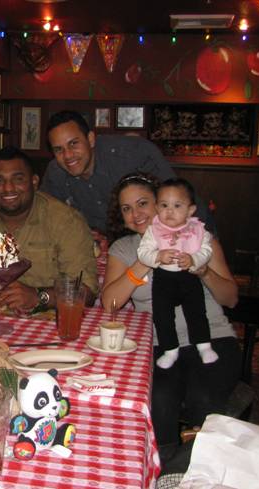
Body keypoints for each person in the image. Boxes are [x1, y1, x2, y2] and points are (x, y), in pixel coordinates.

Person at [101, 172, 240, 460]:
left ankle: (205, 466)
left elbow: (231, 298)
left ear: (163, 203)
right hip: (159, 344)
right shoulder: (123, 249)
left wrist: (203, 271)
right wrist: (146, 260)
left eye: (143, 203)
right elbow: (110, 303)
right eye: (127, 208)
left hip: (212, 337)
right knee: (159, 401)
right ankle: (164, 468)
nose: (136, 214)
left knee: (203, 398)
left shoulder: (199, 237)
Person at [0, 146, 99, 315]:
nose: (8, 188)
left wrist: (39, 297)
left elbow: (86, 291)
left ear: (34, 182)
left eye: (18, 179)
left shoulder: (65, 220)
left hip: (48, 318)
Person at [42, 110, 215, 234]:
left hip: (183, 230)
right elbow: (45, 216)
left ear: (91, 139)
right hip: (116, 246)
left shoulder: (132, 154)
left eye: (74, 143)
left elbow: (178, 201)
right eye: (58, 149)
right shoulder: (55, 174)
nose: (68, 155)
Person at [137, 178, 217, 369]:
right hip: (163, 280)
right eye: (164, 205)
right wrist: (157, 256)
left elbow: (207, 250)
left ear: (190, 210)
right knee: (162, 316)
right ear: (157, 207)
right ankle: (170, 349)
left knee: (197, 312)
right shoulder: (154, 231)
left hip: (188, 277)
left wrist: (194, 259)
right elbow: (142, 253)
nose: (169, 211)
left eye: (177, 205)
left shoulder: (198, 230)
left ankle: (204, 345)